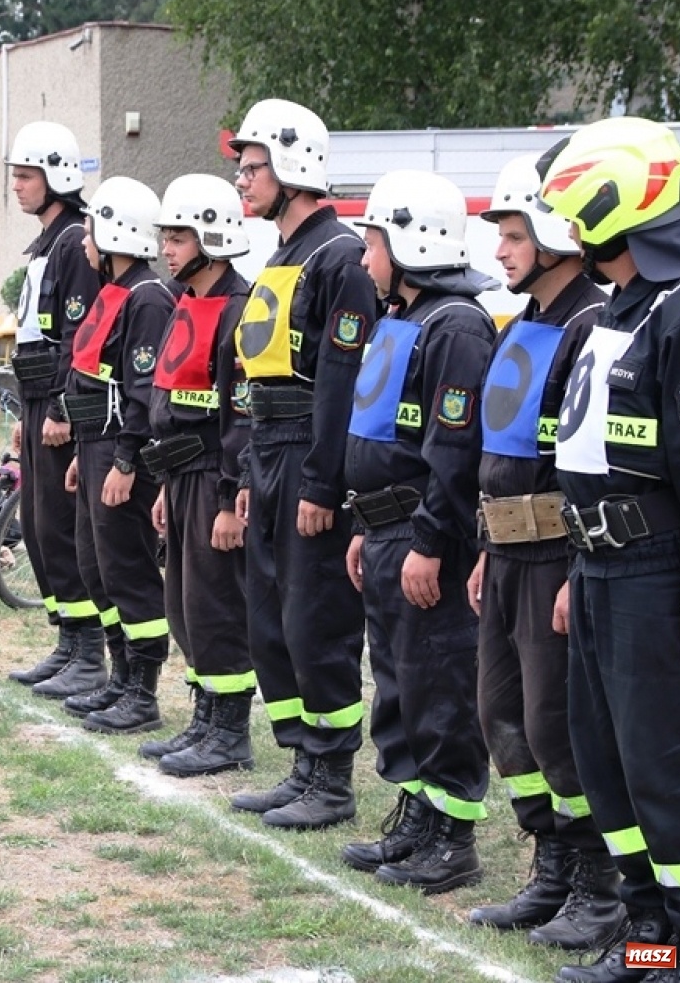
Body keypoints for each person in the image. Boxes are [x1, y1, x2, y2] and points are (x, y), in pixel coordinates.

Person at [538, 118, 680, 983]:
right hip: (598, 570)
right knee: (610, 769)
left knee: (670, 770)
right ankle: (649, 942)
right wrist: (575, 567)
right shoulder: (623, 307)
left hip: (657, 574)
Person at [464, 156, 622, 951]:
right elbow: (504, 451)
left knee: (556, 726)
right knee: (503, 715)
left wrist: (570, 566)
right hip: (508, 549)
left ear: (559, 235)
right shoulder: (522, 322)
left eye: (514, 233)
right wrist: (488, 545)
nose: (500, 249)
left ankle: (600, 884)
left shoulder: (590, 321)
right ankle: (552, 865)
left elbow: (578, 462)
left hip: (559, 555)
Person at [341, 169, 496, 892]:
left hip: (421, 534)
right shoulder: (406, 317)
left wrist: (430, 541)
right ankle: (416, 816)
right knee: (400, 685)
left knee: (439, 685)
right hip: (385, 531)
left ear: (409, 242)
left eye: (372, 241)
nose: (366, 258)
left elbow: (452, 451)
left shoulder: (457, 325)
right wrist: (362, 524)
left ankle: (452, 835)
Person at [226, 99, 379, 830]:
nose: (241, 180)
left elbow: (343, 383)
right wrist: (256, 473)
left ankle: (334, 775)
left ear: (293, 167)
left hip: (311, 461)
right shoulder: (281, 255)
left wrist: (323, 480)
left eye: (251, 166)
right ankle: (301, 762)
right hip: (271, 454)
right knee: (272, 620)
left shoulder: (339, 257)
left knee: (316, 620)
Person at [138, 174, 253, 775]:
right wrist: (162, 484)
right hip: (180, 477)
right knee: (184, 606)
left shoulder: (241, 310)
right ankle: (204, 718)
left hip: (214, 478)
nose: (167, 247)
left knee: (216, 606)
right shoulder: (185, 301)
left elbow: (242, 414)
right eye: (166, 235)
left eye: (178, 236)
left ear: (212, 236)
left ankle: (230, 732)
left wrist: (232, 499)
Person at [60, 176, 178, 733]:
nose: (84, 243)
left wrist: (125, 462)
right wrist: (86, 453)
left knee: (127, 569)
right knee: (95, 565)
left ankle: (143, 691)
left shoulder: (149, 298)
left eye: (90, 231)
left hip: (121, 454)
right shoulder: (117, 291)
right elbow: (95, 381)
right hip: (96, 447)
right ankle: (120, 674)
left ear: (113, 234)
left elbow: (142, 390)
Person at [3, 121, 107, 698]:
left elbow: (78, 335)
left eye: (26, 176)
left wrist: (64, 408)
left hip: (60, 405)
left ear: (57, 178)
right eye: (15, 175)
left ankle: (88, 651)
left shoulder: (73, 240)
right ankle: (66, 640)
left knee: (60, 528)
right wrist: (28, 407)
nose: (16, 186)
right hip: (38, 399)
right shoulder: (47, 241)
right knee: (38, 527)